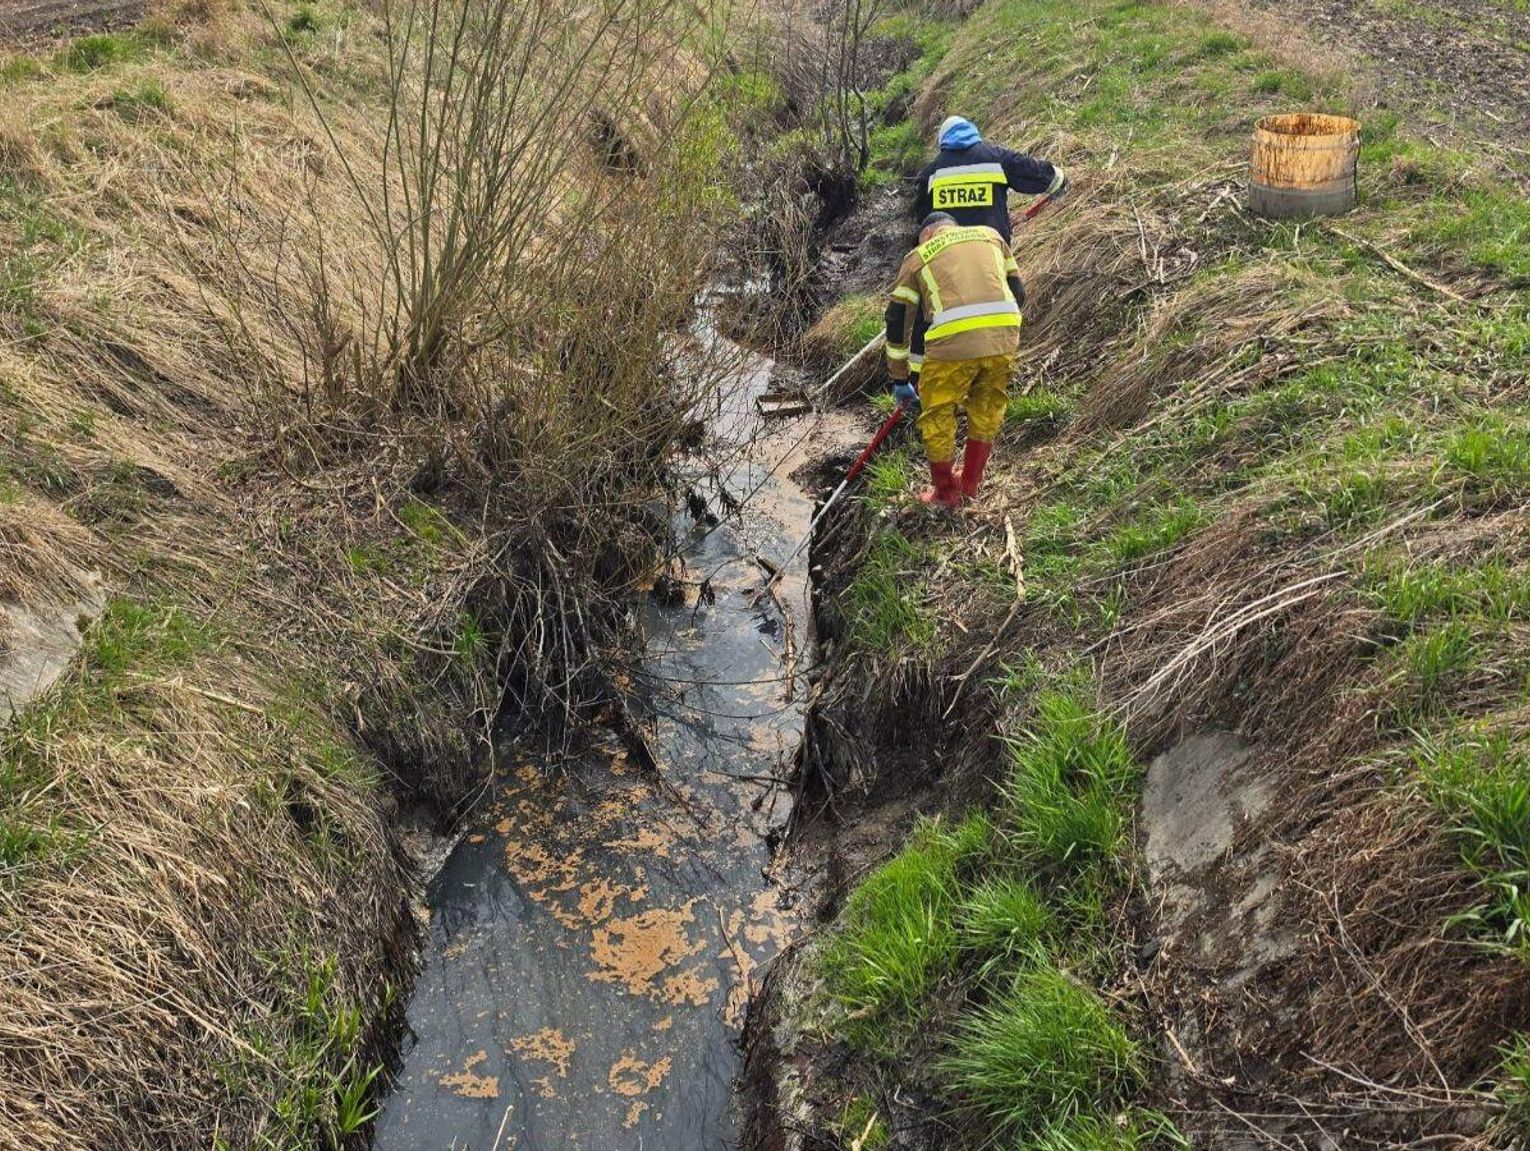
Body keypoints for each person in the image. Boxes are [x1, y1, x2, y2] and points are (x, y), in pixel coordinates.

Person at [884, 212, 1024, 507]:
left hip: (951, 346)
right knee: (987, 406)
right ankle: (970, 484)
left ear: (927, 234)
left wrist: (899, 378)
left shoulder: (918, 256)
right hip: (1003, 337)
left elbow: (897, 320)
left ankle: (946, 493)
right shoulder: (992, 236)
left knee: (938, 414)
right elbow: (1018, 292)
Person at [913, 116, 1067, 246]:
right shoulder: (997, 159)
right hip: (993, 250)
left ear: (943, 141)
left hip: (950, 256)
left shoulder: (931, 174)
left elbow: (924, 221)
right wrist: (1059, 178)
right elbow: (1035, 173)